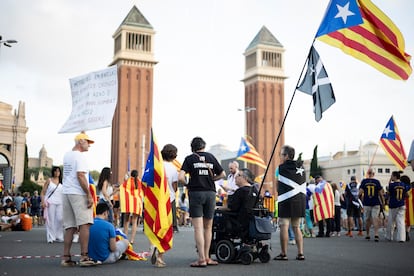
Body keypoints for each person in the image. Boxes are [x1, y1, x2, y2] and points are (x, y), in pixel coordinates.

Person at [178, 137, 225, 267]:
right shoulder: (211, 157)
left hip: (196, 193)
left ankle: (201, 259)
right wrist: (212, 179)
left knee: (198, 228)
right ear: (204, 146)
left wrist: (188, 184)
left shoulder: (190, 158)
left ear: (192, 147)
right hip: (210, 193)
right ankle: (208, 257)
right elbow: (222, 174)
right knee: (208, 227)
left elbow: (180, 177)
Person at [61, 132, 98, 267]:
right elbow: (81, 176)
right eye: (88, 142)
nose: (89, 145)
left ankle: (65, 257)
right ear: (81, 141)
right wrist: (88, 194)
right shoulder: (80, 156)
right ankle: (84, 256)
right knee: (85, 224)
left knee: (70, 226)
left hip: (66, 192)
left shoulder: (67, 155)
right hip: (78, 193)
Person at [149, 144, 179, 268]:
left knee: (154, 225)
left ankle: (153, 244)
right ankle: (160, 257)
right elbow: (175, 187)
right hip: (168, 200)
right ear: (173, 156)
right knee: (165, 228)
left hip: (155, 199)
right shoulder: (173, 168)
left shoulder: (156, 166)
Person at [273, 145, 306, 261]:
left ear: (286, 156)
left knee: (284, 226)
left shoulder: (280, 168)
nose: (280, 157)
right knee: (297, 227)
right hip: (299, 201)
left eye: (281, 155)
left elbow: (277, 185)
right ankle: (300, 253)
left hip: (286, 200)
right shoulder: (301, 167)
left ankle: (283, 253)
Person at [226, 168, 257, 240]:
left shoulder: (241, 191)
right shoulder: (255, 190)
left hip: (240, 223)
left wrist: (217, 208)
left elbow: (231, 208)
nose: (235, 177)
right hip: (253, 223)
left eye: (238, 175)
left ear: (245, 178)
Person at [358, 169, 384, 242]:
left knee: (367, 219)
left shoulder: (364, 181)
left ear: (367, 174)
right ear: (373, 174)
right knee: (375, 218)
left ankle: (368, 234)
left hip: (367, 203)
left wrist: (359, 197)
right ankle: (376, 234)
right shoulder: (377, 182)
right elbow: (381, 194)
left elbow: (360, 192)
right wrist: (383, 202)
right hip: (376, 202)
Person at [41, 166, 64, 243]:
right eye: (55, 171)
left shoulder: (62, 181)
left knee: (60, 219)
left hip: (60, 202)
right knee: (51, 219)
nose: (57, 172)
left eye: (58, 171)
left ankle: (59, 235)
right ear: (53, 172)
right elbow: (43, 192)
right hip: (50, 202)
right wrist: (43, 201)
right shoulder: (49, 180)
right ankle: (51, 237)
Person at [120, 169, 143, 245]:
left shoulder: (128, 181)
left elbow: (122, 189)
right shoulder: (139, 182)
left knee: (126, 220)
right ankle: (132, 239)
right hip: (136, 203)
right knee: (134, 222)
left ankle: (125, 237)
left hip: (128, 203)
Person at [386, 171, 411, 242]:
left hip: (393, 204)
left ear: (394, 176)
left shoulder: (392, 185)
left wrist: (390, 180)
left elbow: (388, 192)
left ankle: (389, 237)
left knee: (391, 221)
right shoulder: (403, 185)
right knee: (401, 222)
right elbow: (407, 195)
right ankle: (401, 238)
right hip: (402, 204)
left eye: (392, 176)